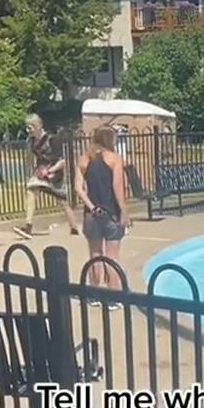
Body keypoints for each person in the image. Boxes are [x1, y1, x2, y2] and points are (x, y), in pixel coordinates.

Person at [74, 126, 130, 298]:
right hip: (111, 212)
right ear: (110, 139)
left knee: (94, 254)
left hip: (91, 214)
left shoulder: (84, 159)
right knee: (112, 256)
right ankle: (113, 295)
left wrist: (92, 207)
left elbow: (78, 188)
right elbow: (117, 187)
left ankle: (94, 293)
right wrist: (124, 211)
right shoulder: (114, 159)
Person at [18, 114, 73, 240]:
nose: (28, 131)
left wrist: (50, 171)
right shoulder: (31, 141)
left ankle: (74, 226)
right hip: (40, 172)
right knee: (31, 190)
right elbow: (31, 158)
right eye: (27, 128)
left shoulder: (52, 139)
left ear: (38, 126)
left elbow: (62, 161)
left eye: (30, 127)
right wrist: (33, 171)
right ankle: (28, 226)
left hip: (54, 173)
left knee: (62, 201)